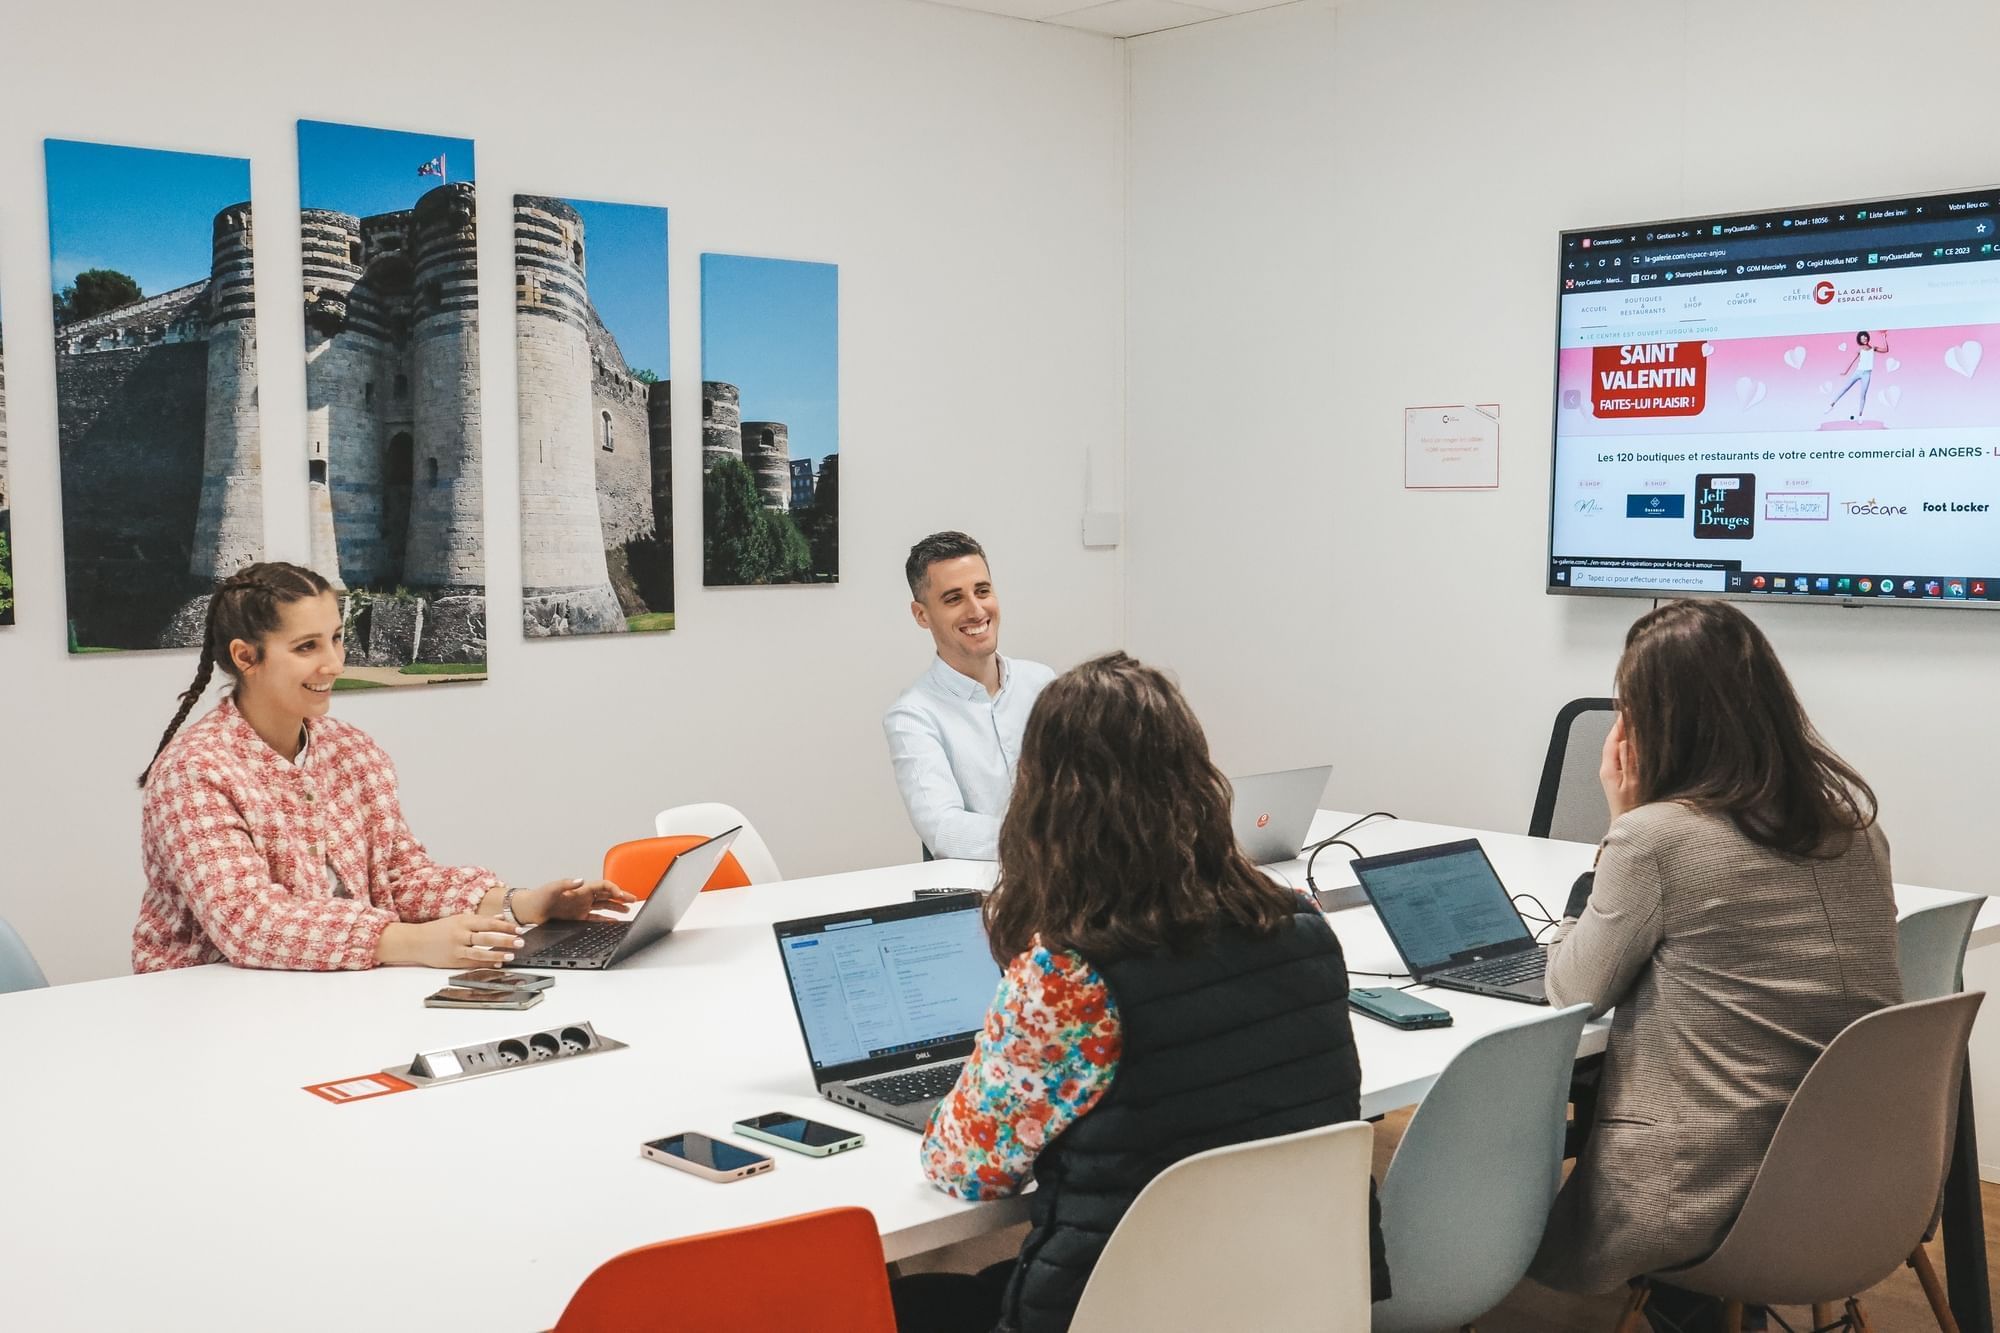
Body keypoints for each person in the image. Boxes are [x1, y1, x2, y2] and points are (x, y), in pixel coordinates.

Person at [892, 652, 1387, 1333]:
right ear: (1194, 779)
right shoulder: (1299, 923)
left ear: (1047, 804)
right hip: (1290, 1292)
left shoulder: (1069, 982)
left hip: (1125, 1305)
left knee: (902, 1306)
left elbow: (962, 1167)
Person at [1529, 600, 1900, 1330]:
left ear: (1655, 726)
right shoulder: (1856, 831)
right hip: (1859, 1179)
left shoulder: (1655, 839)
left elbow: (1571, 991)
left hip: (1703, 1192)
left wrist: (1619, 820)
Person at [133, 562, 633, 973]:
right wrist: (410, 943)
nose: (333, 663)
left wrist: (523, 904)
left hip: (334, 995)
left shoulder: (351, 751)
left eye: (335, 638)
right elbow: (251, 923)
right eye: (307, 647)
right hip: (205, 1006)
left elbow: (400, 879)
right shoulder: (194, 773)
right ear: (246, 656)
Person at [884, 532, 1054, 860]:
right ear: (921, 615)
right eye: (953, 599)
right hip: (984, 898)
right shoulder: (912, 716)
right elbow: (943, 830)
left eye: (982, 591)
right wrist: (1051, 841)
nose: (976, 610)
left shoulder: (1043, 683)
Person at [1826, 329, 1890, 420]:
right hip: (1858, 372)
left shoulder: (1873, 348)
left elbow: (1886, 350)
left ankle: (1860, 415)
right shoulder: (1859, 350)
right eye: (1862, 338)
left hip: (1867, 374)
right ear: (1859, 340)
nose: (1864, 339)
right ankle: (1831, 405)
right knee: (1845, 388)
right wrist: (1846, 371)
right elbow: (1852, 361)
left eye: (1865, 337)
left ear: (1868, 338)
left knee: (1863, 394)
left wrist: (1884, 337)